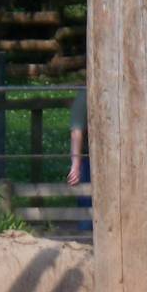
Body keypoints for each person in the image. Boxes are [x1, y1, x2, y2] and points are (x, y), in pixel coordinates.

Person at [67, 87, 92, 232]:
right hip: (88, 159)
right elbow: (76, 131)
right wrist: (75, 165)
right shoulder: (84, 97)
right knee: (86, 202)